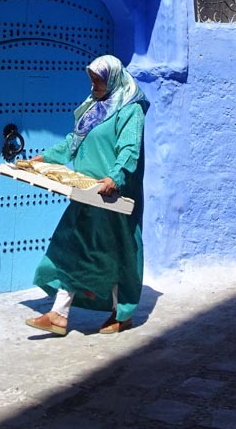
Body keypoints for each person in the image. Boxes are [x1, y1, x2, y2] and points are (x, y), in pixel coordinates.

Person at [24, 55, 149, 337]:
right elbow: (73, 141)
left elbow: (129, 150)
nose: (93, 84)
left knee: (116, 253)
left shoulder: (131, 110)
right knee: (71, 248)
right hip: (87, 194)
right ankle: (59, 314)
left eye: (98, 79)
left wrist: (114, 179)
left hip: (113, 197)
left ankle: (122, 312)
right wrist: (45, 159)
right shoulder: (95, 107)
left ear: (113, 78)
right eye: (91, 79)